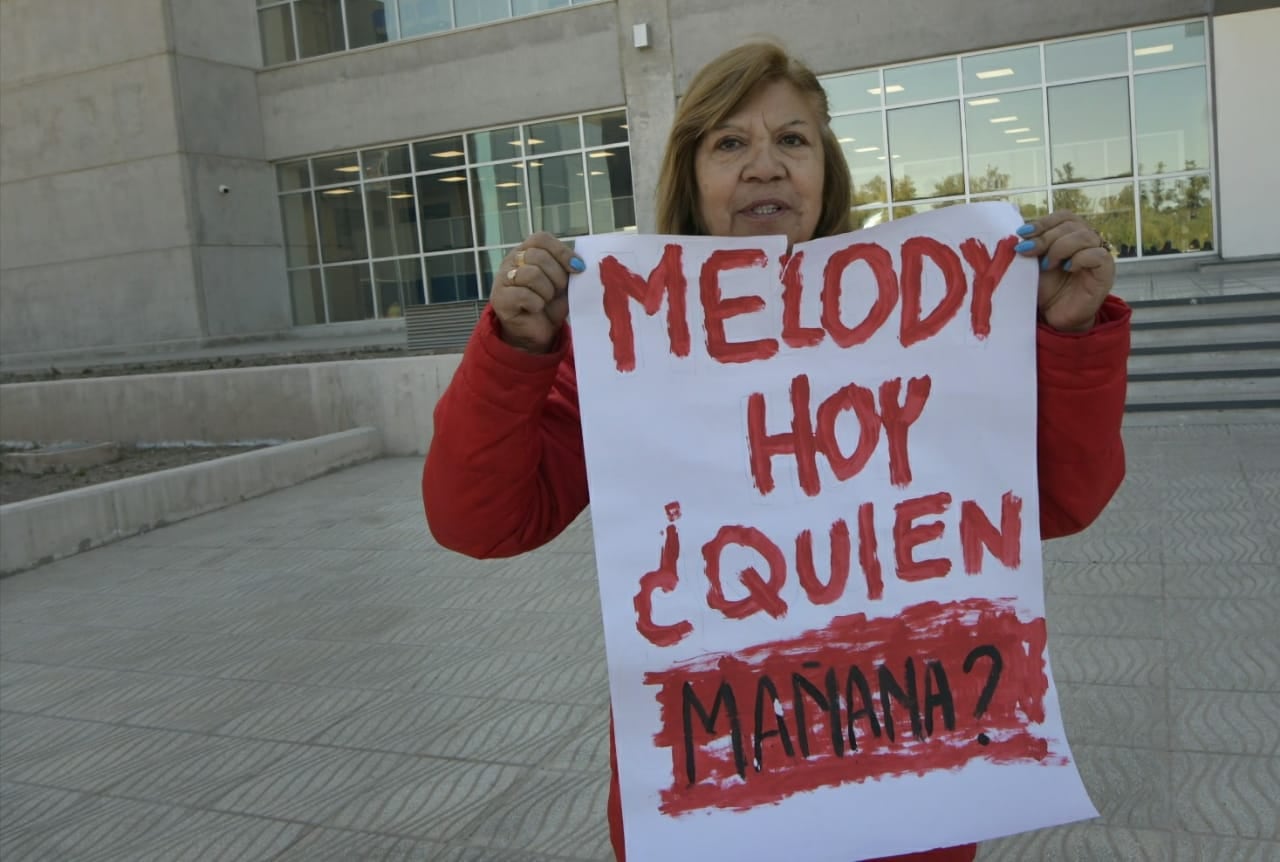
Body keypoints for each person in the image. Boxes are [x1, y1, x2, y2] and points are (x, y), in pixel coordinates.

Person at [423, 40, 1130, 862]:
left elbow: (1061, 502)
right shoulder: (626, 346)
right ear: (691, 177)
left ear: (824, 170)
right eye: (730, 143)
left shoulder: (922, 328)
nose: (765, 166)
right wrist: (515, 352)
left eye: (792, 140)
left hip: (901, 794)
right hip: (715, 792)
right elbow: (478, 522)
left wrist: (1068, 336)